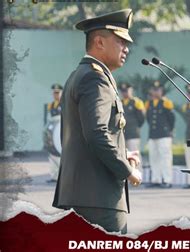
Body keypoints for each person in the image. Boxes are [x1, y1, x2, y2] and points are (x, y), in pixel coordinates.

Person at [53, 9, 142, 234]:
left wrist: (122, 153)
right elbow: (97, 133)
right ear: (99, 42)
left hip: (82, 195)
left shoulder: (80, 74)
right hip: (98, 200)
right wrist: (127, 170)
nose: (126, 48)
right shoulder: (95, 78)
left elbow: (88, 134)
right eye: (121, 41)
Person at [145, 81, 175, 188]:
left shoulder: (166, 103)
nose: (155, 92)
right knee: (154, 157)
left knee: (165, 157)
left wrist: (170, 130)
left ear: (162, 91)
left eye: (158, 90)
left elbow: (172, 119)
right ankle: (156, 179)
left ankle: (167, 180)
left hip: (164, 134)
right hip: (153, 134)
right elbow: (148, 119)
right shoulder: (149, 103)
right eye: (154, 90)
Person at [120, 83, 145, 171]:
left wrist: (135, 127)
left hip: (133, 133)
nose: (125, 93)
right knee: (124, 155)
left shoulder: (136, 102)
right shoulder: (120, 102)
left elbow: (141, 118)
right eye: (123, 91)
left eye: (126, 91)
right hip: (123, 134)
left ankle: (138, 173)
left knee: (134, 154)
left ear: (131, 90)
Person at [46, 84, 63, 183]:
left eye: (57, 92)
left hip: (61, 132)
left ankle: (61, 176)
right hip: (53, 133)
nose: (55, 95)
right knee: (52, 154)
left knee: (61, 155)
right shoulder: (51, 105)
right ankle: (54, 176)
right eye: (54, 93)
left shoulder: (64, 104)